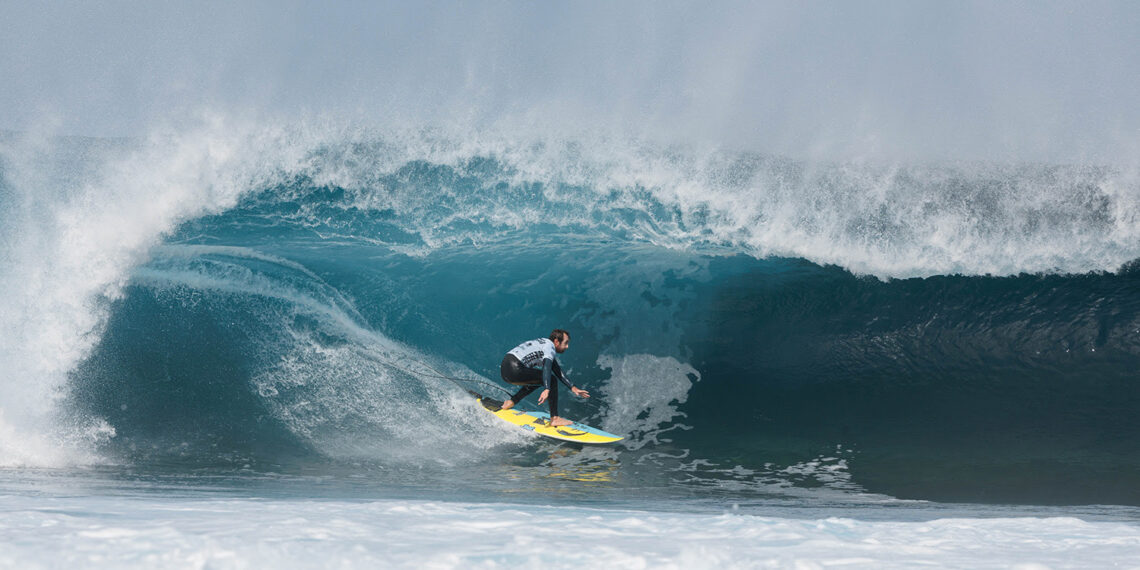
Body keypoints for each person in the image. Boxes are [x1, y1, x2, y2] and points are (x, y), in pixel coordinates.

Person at [500, 329, 590, 427]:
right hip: (515, 369)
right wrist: (547, 388)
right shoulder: (549, 347)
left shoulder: (544, 344)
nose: (567, 347)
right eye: (565, 343)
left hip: (506, 368)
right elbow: (547, 367)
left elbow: (556, 369)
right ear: (556, 341)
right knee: (551, 380)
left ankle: (511, 402)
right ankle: (555, 418)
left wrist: (573, 387)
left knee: (536, 380)